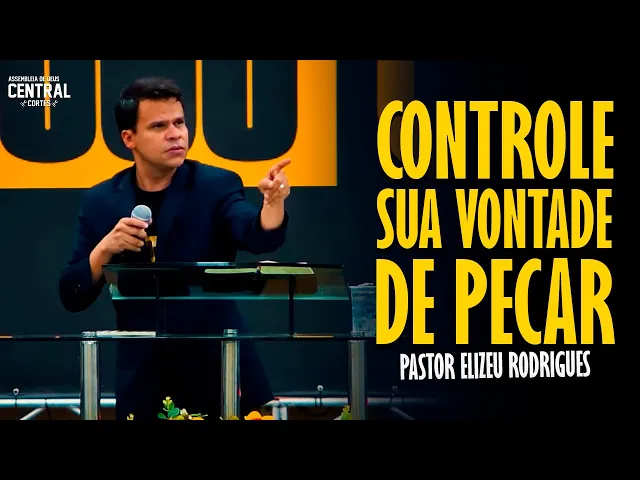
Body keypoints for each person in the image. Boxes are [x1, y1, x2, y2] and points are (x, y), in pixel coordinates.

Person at [58, 77, 290, 420]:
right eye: (159, 126)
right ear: (129, 138)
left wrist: (272, 204)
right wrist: (104, 250)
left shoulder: (215, 185)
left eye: (179, 123)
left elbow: (256, 235)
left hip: (216, 371)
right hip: (143, 381)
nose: (175, 134)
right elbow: (71, 293)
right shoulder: (101, 200)